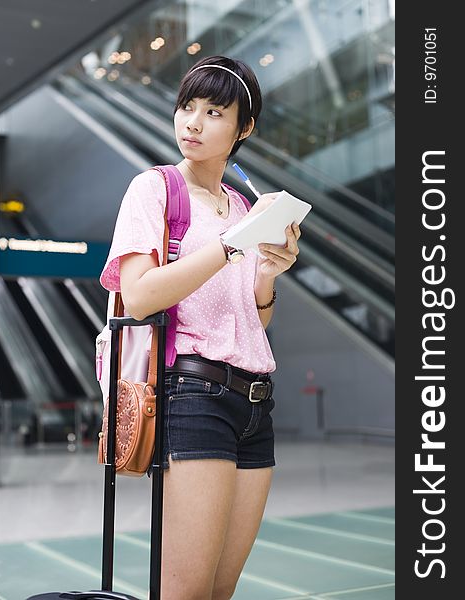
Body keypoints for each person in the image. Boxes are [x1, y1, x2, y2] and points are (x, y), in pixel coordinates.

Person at [100, 55, 301, 600]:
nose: (192, 122)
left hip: (255, 402)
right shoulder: (155, 189)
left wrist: (267, 277)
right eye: (187, 106)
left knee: (221, 589)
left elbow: (256, 321)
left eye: (214, 112)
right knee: (185, 592)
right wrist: (229, 248)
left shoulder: (243, 207)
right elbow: (139, 296)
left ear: (245, 127)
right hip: (193, 393)